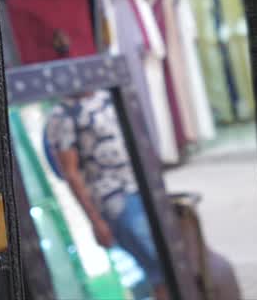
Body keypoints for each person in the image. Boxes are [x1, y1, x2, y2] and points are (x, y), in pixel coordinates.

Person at [45, 90, 167, 300]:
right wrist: (96, 221)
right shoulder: (62, 114)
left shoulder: (107, 97)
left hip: (142, 188)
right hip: (115, 199)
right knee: (158, 268)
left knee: (163, 266)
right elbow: (70, 173)